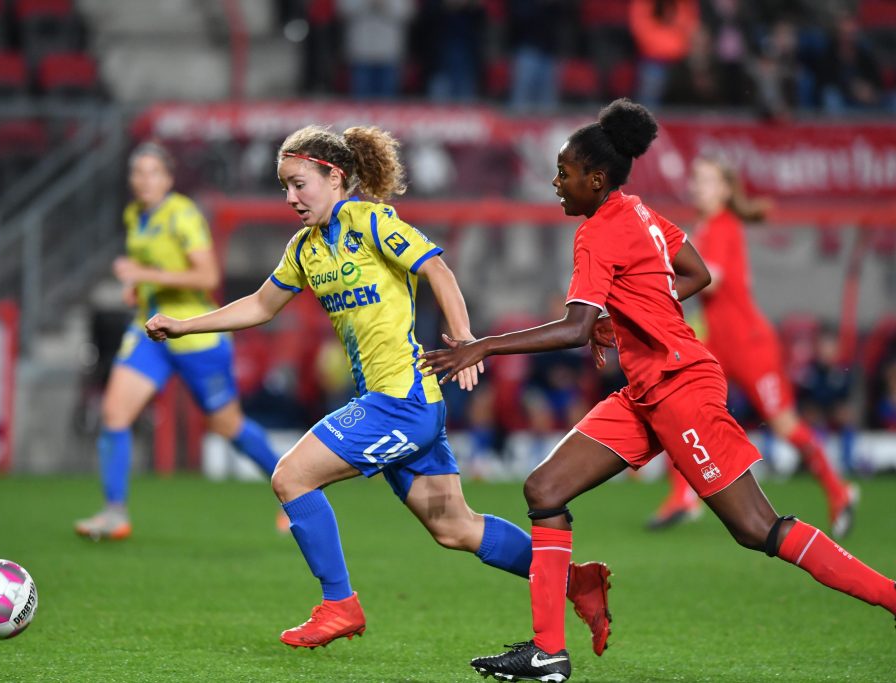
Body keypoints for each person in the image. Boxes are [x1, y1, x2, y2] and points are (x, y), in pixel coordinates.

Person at [420, 99, 896, 682]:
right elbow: (696, 274)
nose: (556, 182)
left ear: (597, 180)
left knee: (757, 529)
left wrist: (484, 346)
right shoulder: (640, 212)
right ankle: (548, 651)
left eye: (565, 173)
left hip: (680, 390)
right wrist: (625, 322)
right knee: (544, 488)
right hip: (646, 391)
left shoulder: (597, 233)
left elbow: (574, 327)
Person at [144, 125, 613, 652]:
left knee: (291, 478)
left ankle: (339, 604)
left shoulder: (369, 221)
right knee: (455, 528)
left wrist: (464, 340)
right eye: (285, 187)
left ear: (334, 176)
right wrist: (185, 326)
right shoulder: (304, 248)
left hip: (402, 401)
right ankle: (576, 581)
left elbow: (437, 269)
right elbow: (259, 305)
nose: (291, 198)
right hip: (395, 403)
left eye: (300, 184)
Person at [73, 141, 284, 541]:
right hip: (150, 332)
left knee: (228, 425)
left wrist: (145, 274)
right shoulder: (136, 214)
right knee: (115, 414)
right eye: (138, 173)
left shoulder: (182, 216)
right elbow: (151, 270)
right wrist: (138, 288)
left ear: (168, 179)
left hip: (194, 335)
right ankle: (115, 513)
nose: (144, 180)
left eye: (153, 173)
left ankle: (297, 494)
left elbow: (207, 278)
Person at [647, 156, 857, 536]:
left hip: (751, 347)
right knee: (682, 409)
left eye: (706, 181)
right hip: (719, 346)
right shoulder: (708, 228)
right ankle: (683, 498)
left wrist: (655, 275)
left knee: (784, 426)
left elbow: (711, 279)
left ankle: (839, 490)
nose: (697, 187)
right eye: (695, 180)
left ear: (726, 191)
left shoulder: (723, 228)